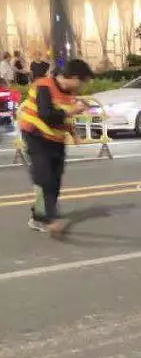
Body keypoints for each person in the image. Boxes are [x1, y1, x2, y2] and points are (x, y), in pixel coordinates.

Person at [18, 59, 94, 239]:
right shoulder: (44, 86)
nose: (82, 86)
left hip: (55, 139)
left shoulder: (69, 93)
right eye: (82, 82)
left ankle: (41, 214)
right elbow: (47, 115)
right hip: (35, 135)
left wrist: (74, 134)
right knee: (44, 176)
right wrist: (73, 110)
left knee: (55, 178)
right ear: (74, 77)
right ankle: (48, 219)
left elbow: (64, 117)